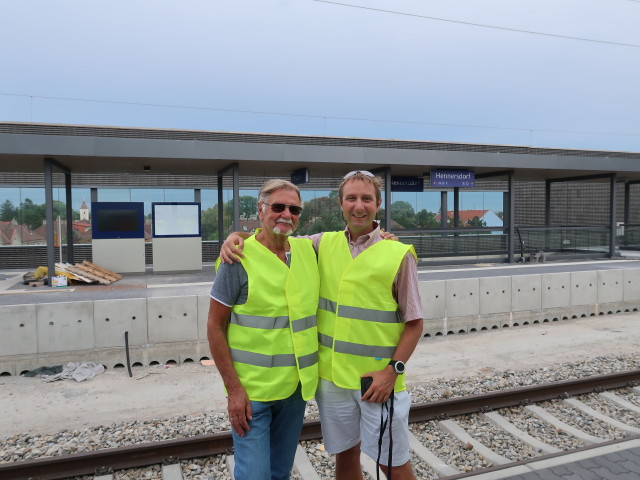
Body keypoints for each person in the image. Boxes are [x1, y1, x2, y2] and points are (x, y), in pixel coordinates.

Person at [220, 171, 423, 480]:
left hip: (378, 383)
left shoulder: (396, 253)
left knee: (392, 463)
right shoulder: (320, 245)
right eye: (351, 198)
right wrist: (237, 236)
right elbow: (275, 235)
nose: (358, 206)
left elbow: (415, 322)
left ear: (378, 204)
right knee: (346, 455)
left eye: (366, 199)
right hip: (332, 381)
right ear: (340, 204)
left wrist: (391, 372)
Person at [207, 179, 320, 480]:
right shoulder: (237, 260)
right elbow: (215, 327)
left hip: (295, 390)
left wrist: (382, 235)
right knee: (254, 475)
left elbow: (352, 238)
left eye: (294, 209)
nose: (286, 214)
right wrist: (234, 391)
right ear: (260, 209)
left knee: (279, 473)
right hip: (252, 395)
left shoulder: (308, 250)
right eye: (278, 207)